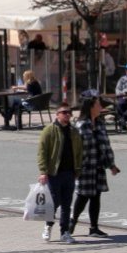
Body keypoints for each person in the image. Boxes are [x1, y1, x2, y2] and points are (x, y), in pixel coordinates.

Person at [71, 94, 120, 238]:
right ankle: (72, 222)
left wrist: (111, 165)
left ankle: (94, 228)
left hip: (98, 165)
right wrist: (76, 166)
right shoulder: (80, 125)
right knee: (83, 196)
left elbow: (106, 145)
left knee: (96, 197)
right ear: (91, 107)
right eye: (98, 104)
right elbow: (75, 148)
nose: (101, 107)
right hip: (85, 166)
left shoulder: (99, 123)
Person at [37, 102, 83, 244]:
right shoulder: (49, 130)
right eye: (64, 112)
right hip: (54, 173)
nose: (67, 115)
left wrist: (78, 169)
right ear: (57, 115)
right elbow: (42, 152)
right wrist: (43, 171)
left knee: (67, 203)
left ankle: (65, 232)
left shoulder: (74, 132)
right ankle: (48, 226)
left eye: (69, 112)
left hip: (69, 173)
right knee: (54, 202)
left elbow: (79, 152)